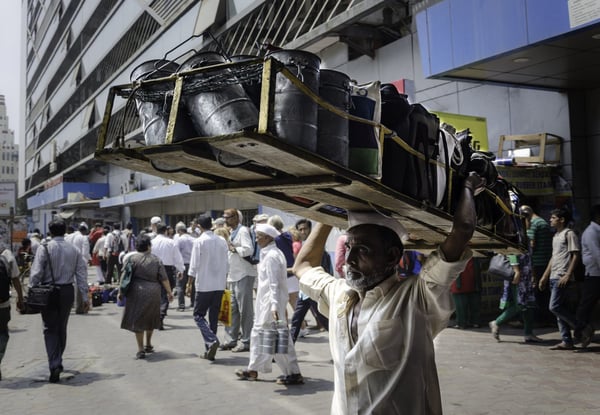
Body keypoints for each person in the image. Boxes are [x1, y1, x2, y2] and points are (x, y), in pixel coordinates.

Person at [292, 173, 483, 414]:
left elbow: (463, 229)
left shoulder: (416, 297)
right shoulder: (340, 293)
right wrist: (328, 216)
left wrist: (467, 186)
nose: (349, 260)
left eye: (362, 249)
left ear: (392, 256)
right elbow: (303, 266)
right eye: (349, 247)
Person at [235, 223, 303, 385]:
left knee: (278, 338)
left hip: (271, 303)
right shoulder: (268, 253)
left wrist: (273, 306)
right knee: (260, 335)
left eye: (258, 236)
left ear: (267, 238)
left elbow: (274, 284)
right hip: (265, 302)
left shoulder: (272, 256)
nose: (256, 239)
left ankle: (293, 373)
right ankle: (253, 369)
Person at [28, 219, 89, 383]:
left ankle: (54, 363)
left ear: (50, 231)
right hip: (67, 292)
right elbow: (82, 275)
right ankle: (57, 360)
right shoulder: (74, 249)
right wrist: (84, 296)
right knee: (62, 327)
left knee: (49, 328)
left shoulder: (44, 247)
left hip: (48, 293)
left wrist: (31, 289)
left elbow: (36, 272)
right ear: (64, 231)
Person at [118, 235, 173, 359]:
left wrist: (120, 292)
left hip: (136, 291)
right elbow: (164, 278)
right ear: (148, 246)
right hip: (154, 292)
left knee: (138, 320)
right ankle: (148, 344)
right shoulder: (156, 260)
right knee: (150, 318)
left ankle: (140, 349)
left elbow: (124, 277)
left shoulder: (131, 259)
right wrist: (169, 292)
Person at [538, 207, 581, 350]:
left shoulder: (569, 234)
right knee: (560, 310)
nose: (550, 220)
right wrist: (544, 276)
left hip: (563, 276)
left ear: (561, 220)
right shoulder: (556, 236)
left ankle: (582, 328)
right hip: (553, 276)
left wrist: (568, 274)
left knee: (554, 307)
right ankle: (567, 340)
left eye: (553, 218)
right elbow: (553, 257)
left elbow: (575, 255)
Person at [189, 216, 229, 361]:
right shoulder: (221, 240)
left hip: (204, 284)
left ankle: (211, 340)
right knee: (213, 317)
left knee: (198, 315)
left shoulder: (199, 241)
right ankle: (209, 349)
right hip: (218, 284)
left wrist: (189, 283)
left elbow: (193, 265)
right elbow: (227, 262)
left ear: (199, 226)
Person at [220, 208, 257, 352]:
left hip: (244, 274)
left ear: (236, 218)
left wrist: (234, 248)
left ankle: (247, 341)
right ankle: (231, 339)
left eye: (228, 217)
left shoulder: (242, 231)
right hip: (233, 275)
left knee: (245, 310)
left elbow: (248, 249)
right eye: (224, 217)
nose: (225, 220)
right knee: (232, 310)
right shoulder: (231, 231)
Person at [488, 253, 544, 343]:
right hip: (518, 276)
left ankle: (528, 334)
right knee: (521, 304)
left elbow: (529, 256)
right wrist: (516, 270)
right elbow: (512, 251)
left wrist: (533, 274)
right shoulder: (519, 239)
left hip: (526, 275)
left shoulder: (527, 240)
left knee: (528, 305)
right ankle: (496, 322)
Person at [520, 205, 553, 326]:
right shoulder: (541, 221)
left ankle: (540, 320)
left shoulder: (533, 223)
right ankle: (546, 318)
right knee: (544, 292)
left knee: (537, 293)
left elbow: (531, 244)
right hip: (544, 261)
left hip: (537, 264)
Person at [575, 204, 600, 348]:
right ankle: (582, 331)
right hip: (594, 275)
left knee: (587, 305)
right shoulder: (591, 232)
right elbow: (597, 254)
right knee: (586, 306)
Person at [152, 224, 185, 330]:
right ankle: (161, 316)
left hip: (153, 269)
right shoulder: (171, 242)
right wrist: (181, 269)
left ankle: (156, 316)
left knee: (155, 295)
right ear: (166, 231)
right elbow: (177, 258)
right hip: (167, 270)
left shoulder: (151, 242)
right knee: (165, 293)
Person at [1, 244, 24, 381]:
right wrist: (20, 298)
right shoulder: (7, 254)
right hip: (2, 304)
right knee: (2, 334)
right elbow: (15, 278)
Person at [268, 215, 298, 314]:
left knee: (281, 304)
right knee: (295, 302)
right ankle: (301, 326)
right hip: (292, 271)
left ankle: (285, 327)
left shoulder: (274, 240)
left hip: (282, 272)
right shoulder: (288, 235)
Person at [450, 257, 481, 329]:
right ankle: (475, 322)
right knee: (474, 300)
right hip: (473, 275)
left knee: (460, 302)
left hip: (459, 277)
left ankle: (461, 323)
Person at [174, 222, 195, 311]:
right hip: (192, 264)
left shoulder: (179, 240)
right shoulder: (193, 239)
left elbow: (176, 253)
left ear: (179, 230)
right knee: (193, 284)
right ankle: (193, 302)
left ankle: (181, 305)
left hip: (182, 264)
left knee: (180, 285)